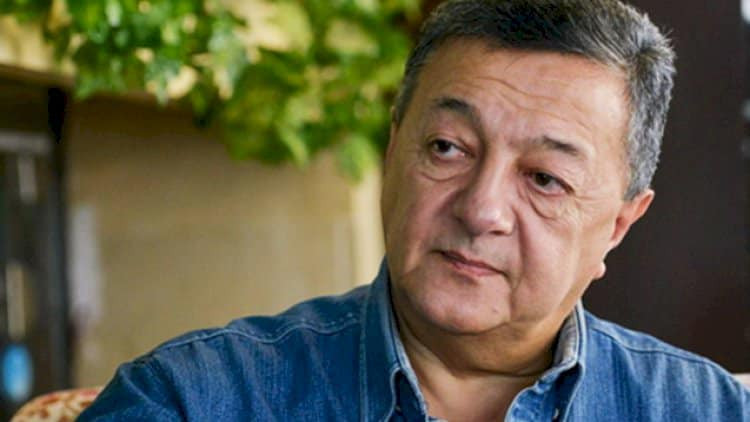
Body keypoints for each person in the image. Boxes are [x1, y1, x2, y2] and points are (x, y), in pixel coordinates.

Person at [79, 0, 750, 420]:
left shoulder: (704, 410)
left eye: (545, 179)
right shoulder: (192, 400)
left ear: (619, 226)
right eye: (448, 148)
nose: (481, 209)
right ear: (393, 147)